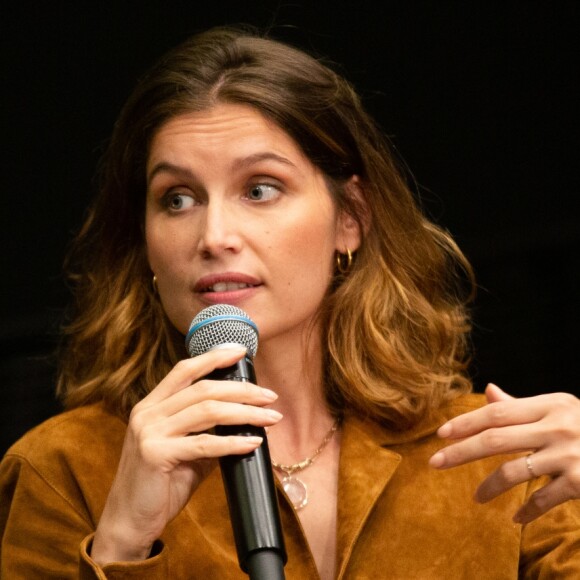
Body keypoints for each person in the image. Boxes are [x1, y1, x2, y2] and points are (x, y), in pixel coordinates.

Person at [1, 26, 579, 579]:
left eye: (259, 189)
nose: (214, 236)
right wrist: (121, 545)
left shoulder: (493, 454)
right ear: (144, 241)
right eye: (177, 199)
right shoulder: (65, 469)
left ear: (349, 218)